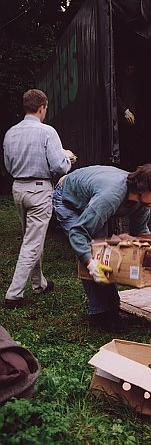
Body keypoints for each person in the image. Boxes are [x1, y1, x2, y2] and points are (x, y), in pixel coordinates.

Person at [52, 163, 151, 332]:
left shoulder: (143, 201)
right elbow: (78, 231)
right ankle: (100, 314)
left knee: (104, 252)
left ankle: (113, 310)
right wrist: (89, 262)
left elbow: (141, 232)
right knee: (93, 253)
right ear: (143, 188)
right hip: (68, 199)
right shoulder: (110, 196)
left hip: (92, 198)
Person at [3, 89, 72, 308]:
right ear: (42, 107)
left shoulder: (10, 133)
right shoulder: (47, 132)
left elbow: (7, 164)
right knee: (32, 243)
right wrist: (67, 157)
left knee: (30, 238)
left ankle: (38, 283)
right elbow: (59, 166)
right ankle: (13, 295)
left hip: (18, 188)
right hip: (40, 189)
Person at [116, 59, 140, 171]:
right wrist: (124, 110)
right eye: (128, 69)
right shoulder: (119, 80)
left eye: (132, 69)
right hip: (123, 118)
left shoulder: (134, 81)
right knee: (125, 144)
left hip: (133, 118)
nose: (131, 71)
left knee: (133, 145)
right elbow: (116, 97)